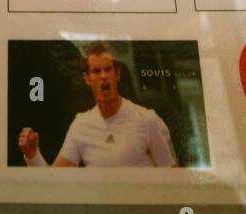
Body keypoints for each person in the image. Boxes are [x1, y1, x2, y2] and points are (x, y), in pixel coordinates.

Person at [18, 42, 178, 168]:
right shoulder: (80, 125)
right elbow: (55, 181)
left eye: (108, 69)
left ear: (118, 74)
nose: (103, 76)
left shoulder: (148, 120)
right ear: (87, 79)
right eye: (96, 71)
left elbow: (173, 178)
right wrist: (33, 156)